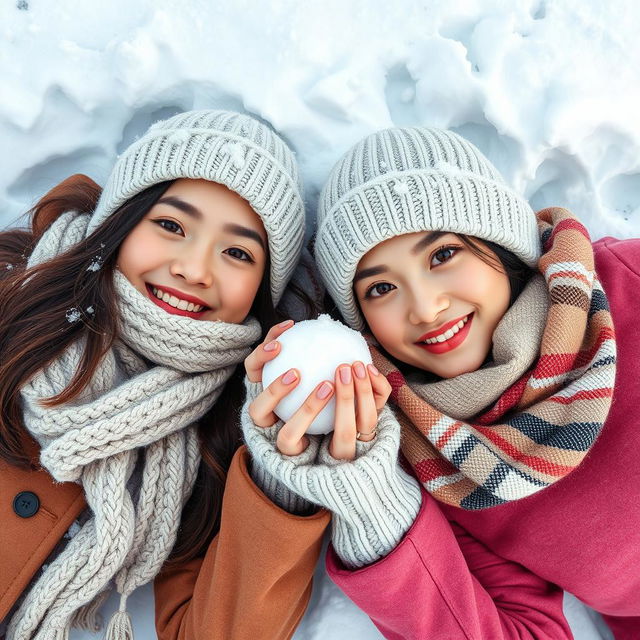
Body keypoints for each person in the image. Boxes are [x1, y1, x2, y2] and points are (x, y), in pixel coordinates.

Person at [0, 110, 331, 640]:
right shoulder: (12, 304)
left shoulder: (222, 437)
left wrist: (278, 477)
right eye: (171, 225)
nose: (194, 269)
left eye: (238, 253)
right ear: (120, 223)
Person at [241, 127, 582, 638]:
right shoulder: (435, 458)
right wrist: (369, 499)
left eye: (442, 255)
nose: (424, 308)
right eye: (381, 288)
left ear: (501, 242)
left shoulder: (628, 287)